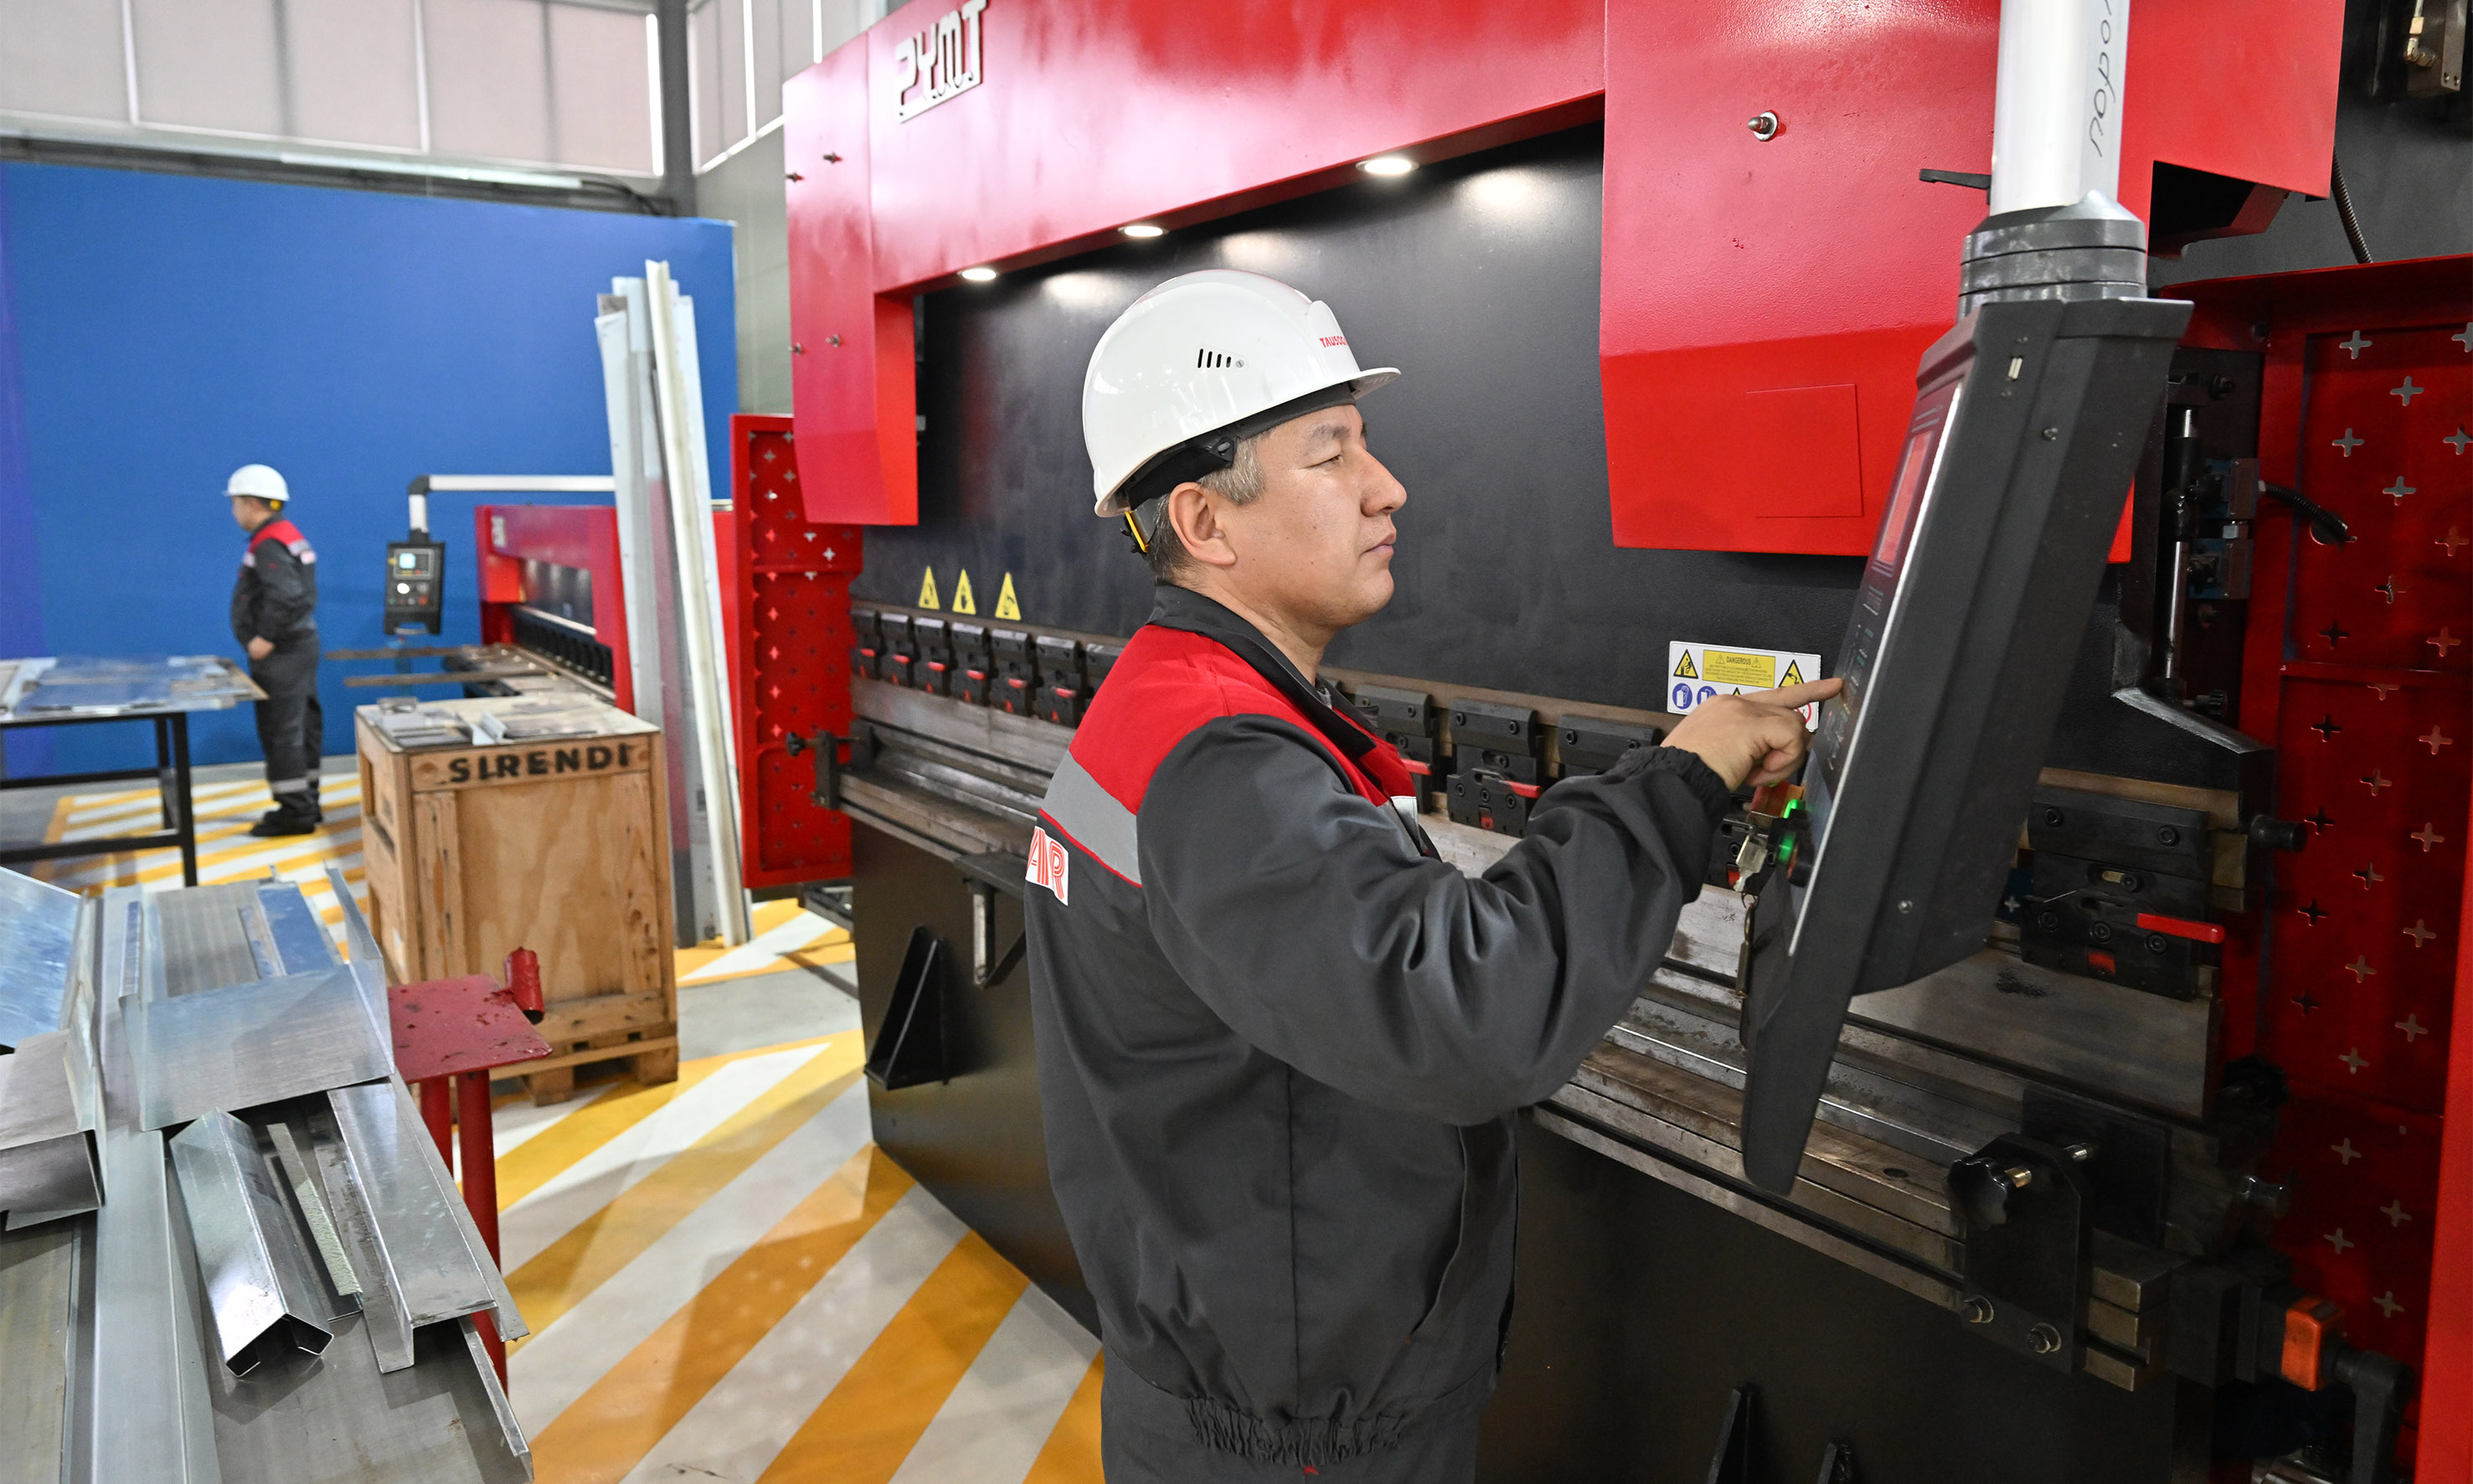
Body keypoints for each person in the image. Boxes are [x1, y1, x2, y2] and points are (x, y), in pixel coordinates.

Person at [1024, 269, 1841, 1483]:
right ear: (1205, 521)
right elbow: (1468, 1012)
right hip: (1301, 1442)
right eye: (1331, 453)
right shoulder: (1221, 766)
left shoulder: (1181, 706)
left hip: (1261, 1383)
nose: (1386, 485)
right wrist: (1683, 783)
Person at [225, 463, 324, 837]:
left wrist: (264, 637)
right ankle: (307, 801)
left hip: (282, 652)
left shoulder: (268, 541)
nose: (234, 511)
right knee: (303, 726)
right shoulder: (287, 534)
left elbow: (287, 596)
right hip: (299, 647)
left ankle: (294, 812)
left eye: (235, 503)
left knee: (281, 731)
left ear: (252, 503)